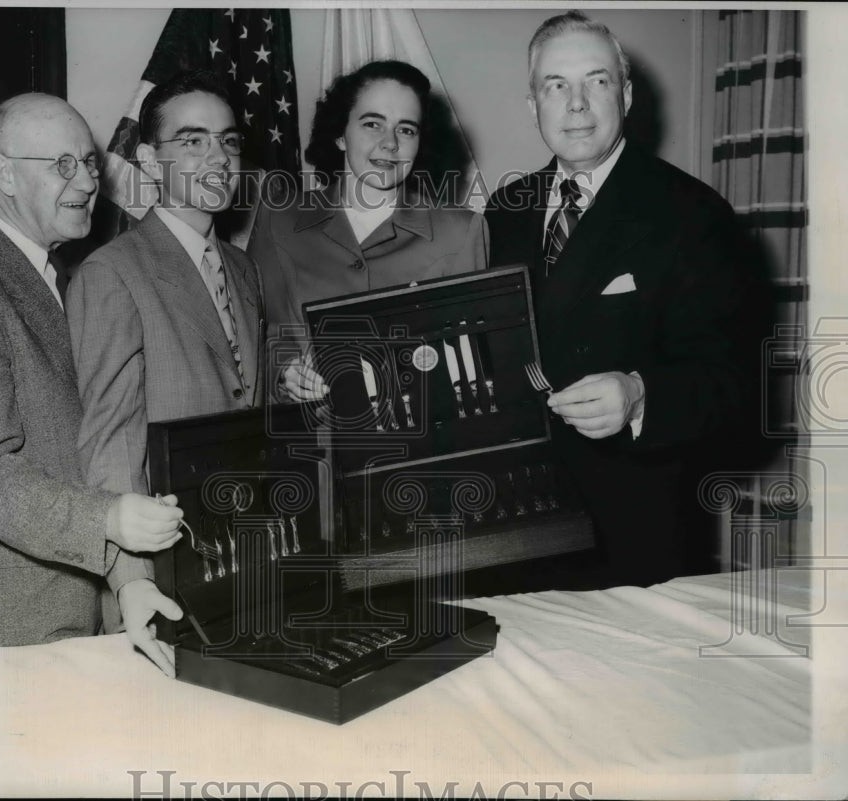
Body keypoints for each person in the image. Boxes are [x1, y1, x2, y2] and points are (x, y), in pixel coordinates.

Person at [484, 12, 761, 586]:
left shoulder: (692, 213)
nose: (577, 103)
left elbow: (736, 387)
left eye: (597, 80)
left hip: (638, 542)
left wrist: (639, 395)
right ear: (533, 104)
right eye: (556, 86)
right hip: (515, 532)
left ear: (627, 95)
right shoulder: (502, 211)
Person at [0, 93, 185, 660]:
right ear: (4, 174)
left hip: (61, 625)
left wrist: (128, 581)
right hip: (3, 638)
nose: (86, 181)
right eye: (63, 164)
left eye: (88, 162)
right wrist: (109, 516)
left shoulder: (45, 276)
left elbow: (67, 453)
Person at [66, 71, 264, 664]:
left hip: (247, 558)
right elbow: (108, 439)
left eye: (228, 142)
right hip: (164, 574)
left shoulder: (242, 267)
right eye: (193, 140)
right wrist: (132, 581)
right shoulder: (113, 272)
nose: (218, 158)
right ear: (150, 161)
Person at [248, 59, 489, 401]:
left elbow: (474, 363)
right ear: (340, 135)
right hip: (310, 442)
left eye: (406, 129)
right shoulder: (278, 220)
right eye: (372, 124)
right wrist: (284, 373)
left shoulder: (462, 231)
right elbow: (253, 334)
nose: (390, 143)